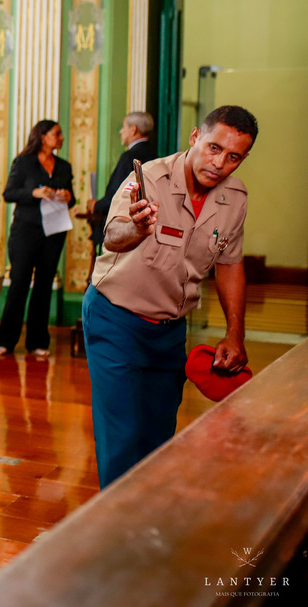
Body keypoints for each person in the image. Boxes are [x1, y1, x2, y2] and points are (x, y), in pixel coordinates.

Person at [84, 105, 256, 488]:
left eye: (233, 157)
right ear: (196, 137)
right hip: (117, 320)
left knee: (159, 435)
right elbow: (112, 236)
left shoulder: (236, 199)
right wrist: (137, 229)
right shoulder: (148, 178)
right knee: (123, 437)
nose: (219, 163)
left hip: (169, 332)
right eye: (213, 148)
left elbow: (229, 263)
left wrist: (235, 333)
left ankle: (148, 526)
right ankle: (117, 532)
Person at [0, 119, 75, 357]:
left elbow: (72, 200)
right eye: (57, 134)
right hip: (25, 231)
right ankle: (6, 341)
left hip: (54, 232)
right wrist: (34, 192)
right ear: (43, 136)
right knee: (19, 282)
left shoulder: (64, 166)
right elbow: (9, 193)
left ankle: (38, 341)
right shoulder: (23, 162)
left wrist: (67, 195)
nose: (61, 138)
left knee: (44, 285)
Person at [87, 111, 157, 246]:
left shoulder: (129, 157)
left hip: (126, 224)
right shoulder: (155, 154)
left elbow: (117, 193)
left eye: (123, 127)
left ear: (133, 129)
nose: (121, 132)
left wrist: (96, 205)